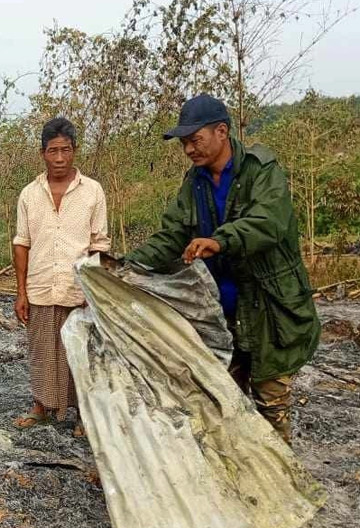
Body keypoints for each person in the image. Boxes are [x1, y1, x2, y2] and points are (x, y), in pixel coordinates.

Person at [125, 94, 321, 444]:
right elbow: (171, 234)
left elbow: (269, 222)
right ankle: (236, 482)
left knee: (270, 405)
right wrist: (125, 267)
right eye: (184, 143)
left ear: (221, 132)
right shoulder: (195, 183)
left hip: (268, 309)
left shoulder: (261, 171)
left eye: (194, 140)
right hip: (222, 315)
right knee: (220, 403)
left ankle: (280, 489)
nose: (188, 149)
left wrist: (220, 240)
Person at [12, 117, 112, 434]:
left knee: (80, 350)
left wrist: (94, 289)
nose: (59, 158)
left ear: (74, 151)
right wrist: (21, 292)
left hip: (79, 288)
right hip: (40, 284)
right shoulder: (29, 194)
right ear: (42, 153)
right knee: (43, 348)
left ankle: (85, 413)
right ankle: (42, 406)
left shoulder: (92, 192)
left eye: (65, 150)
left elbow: (100, 243)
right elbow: (21, 242)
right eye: (52, 151)